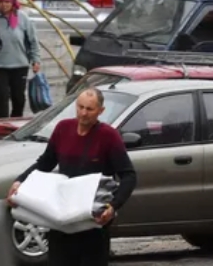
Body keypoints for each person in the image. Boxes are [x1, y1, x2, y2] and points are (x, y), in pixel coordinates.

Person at [8, 88, 137, 266]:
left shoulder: (108, 136)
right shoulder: (63, 128)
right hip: (61, 216)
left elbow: (129, 176)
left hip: (92, 219)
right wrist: (20, 181)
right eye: (80, 107)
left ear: (101, 111)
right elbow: (45, 163)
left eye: (90, 109)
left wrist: (113, 207)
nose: (83, 113)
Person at [0, 0, 39, 118]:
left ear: (12, 2)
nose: (4, 4)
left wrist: (35, 59)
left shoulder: (22, 17)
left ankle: (15, 122)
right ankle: (2, 124)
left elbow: (32, 41)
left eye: (7, 1)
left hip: (20, 65)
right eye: (0, 1)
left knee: (18, 99)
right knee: (1, 98)